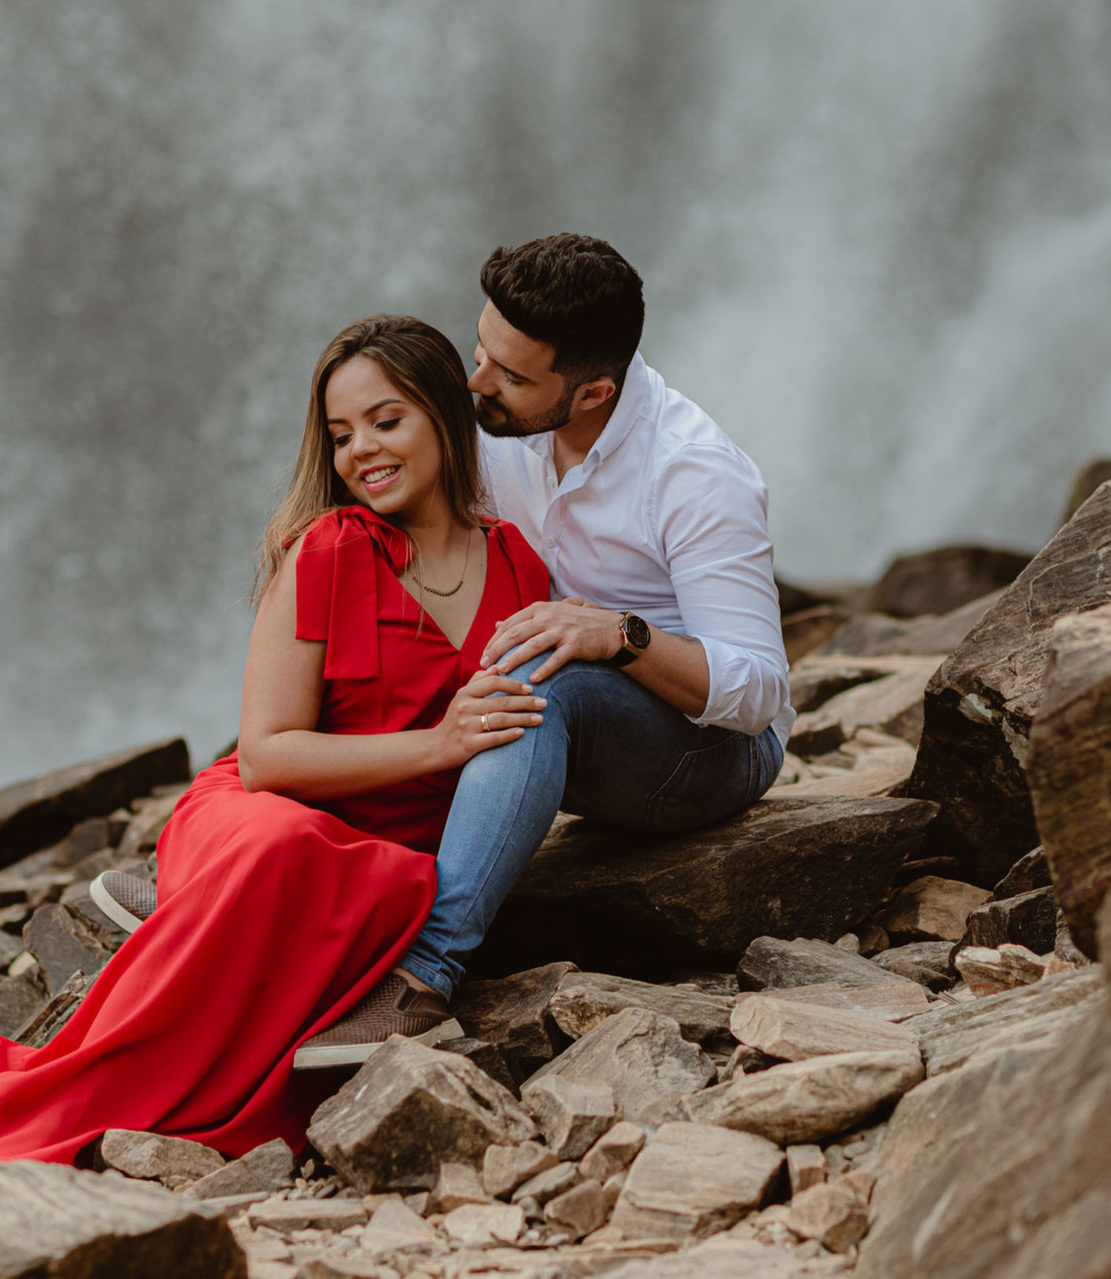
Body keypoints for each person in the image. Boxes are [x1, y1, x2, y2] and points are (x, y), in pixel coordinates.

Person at [0, 315, 550, 1174]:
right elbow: (268, 757)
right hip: (272, 810)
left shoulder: (520, 567)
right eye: (341, 434)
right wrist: (439, 745)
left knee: (377, 877)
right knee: (285, 846)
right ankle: (179, 929)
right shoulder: (326, 549)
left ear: (446, 416)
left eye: (386, 421)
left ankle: (192, 915)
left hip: (391, 850)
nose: (362, 451)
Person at [291, 234, 794, 1065]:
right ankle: (251, 866)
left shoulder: (696, 472)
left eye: (511, 376)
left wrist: (620, 635)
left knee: (532, 675)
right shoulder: (496, 423)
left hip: (706, 750)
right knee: (440, 642)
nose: (477, 384)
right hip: (548, 709)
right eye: (481, 351)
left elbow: (760, 693)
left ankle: (424, 976)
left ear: (594, 390)